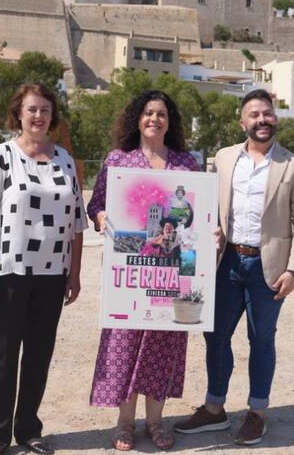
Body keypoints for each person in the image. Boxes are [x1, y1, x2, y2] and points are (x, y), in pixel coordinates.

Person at [173, 89, 294, 446]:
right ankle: (215, 408)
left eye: (266, 113)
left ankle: (257, 413)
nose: (261, 120)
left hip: (269, 267)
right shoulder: (222, 158)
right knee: (215, 336)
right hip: (227, 262)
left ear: (275, 118)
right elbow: (205, 203)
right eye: (254, 115)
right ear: (243, 122)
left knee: (261, 340)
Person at [0, 84, 87, 455]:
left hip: (51, 276)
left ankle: (28, 429)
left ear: (53, 116)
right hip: (7, 273)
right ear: (18, 113)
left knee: (38, 355)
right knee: (1, 356)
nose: (39, 116)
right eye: (32, 109)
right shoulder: (2, 156)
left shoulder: (64, 159)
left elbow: (76, 223)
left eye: (46, 110)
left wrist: (75, 273)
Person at [87, 90, 200, 452]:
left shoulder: (186, 164)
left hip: (173, 267)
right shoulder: (118, 160)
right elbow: (96, 204)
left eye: (162, 114)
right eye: (149, 113)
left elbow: (198, 212)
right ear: (137, 118)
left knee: (163, 345)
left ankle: (155, 421)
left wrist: (209, 227)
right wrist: (103, 216)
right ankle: (124, 423)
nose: (155, 119)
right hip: (130, 266)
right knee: (124, 344)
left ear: (171, 122)